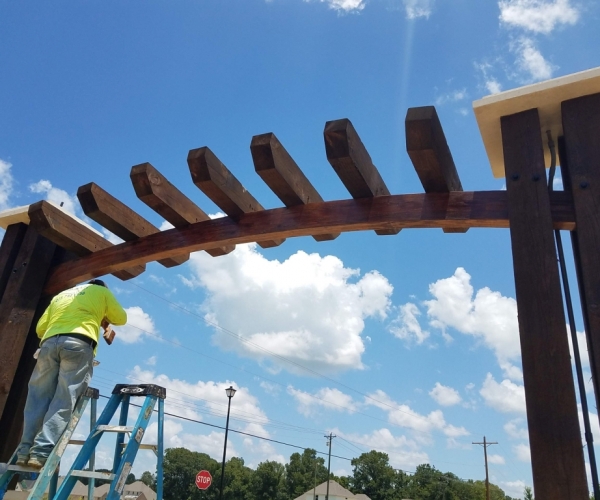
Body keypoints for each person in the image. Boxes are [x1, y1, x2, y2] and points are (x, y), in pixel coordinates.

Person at [15, 279, 127, 469]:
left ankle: (24, 451)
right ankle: (40, 453)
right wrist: (102, 315)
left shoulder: (61, 295)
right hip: (78, 344)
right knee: (64, 398)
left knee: (37, 397)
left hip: (49, 345)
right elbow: (121, 318)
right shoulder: (101, 292)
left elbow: (40, 329)